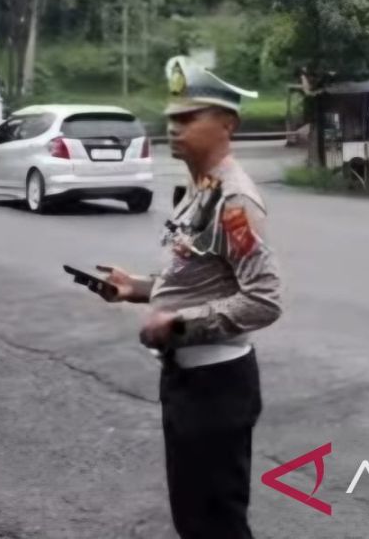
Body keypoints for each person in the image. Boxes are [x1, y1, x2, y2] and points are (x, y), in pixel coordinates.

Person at [98, 56, 284, 539]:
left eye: (187, 118)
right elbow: (195, 272)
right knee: (193, 520)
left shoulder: (234, 201)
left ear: (227, 124)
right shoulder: (202, 190)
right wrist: (137, 288)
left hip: (216, 386)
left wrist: (180, 324)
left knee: (215, 525)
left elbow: (263, 299)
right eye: (171, 118)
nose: (173, 128)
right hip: (189, 381)